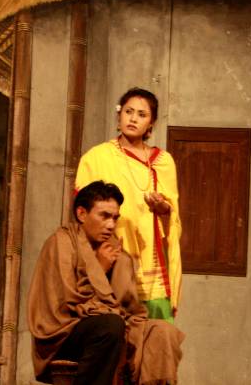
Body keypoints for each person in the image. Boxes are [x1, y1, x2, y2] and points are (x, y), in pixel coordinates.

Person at [28, 180, 184, 385]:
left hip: (111, 326)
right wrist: (100, 268)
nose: (111, 225)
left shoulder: (116, 252)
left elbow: (129, 309)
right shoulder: (62, 242)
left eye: (115, 218)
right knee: (110, 325)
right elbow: (67, 301)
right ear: (81, 214)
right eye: (104, 216)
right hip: (63, 332)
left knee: (162, 331)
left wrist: (131, 323)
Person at [75, 88, 182, 323]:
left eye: (142, 115)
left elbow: (172, 216)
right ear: (119, 115)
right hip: (112, 254)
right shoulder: (97, 157)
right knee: (115, 331)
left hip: (151, 260)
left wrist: (162, 208)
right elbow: (82, 211)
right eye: (128, 111)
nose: (133, 118)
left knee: (156, 336)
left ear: (151, 123)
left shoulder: (163, 162)